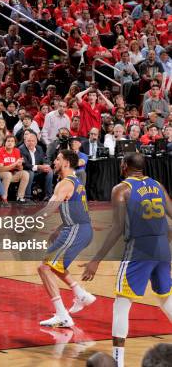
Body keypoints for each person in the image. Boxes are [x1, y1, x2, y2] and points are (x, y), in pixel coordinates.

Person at [81, 153, 172, 367]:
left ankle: (118, 362)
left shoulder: (121, 189)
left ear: (124, 166)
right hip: (161, 249)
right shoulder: (157, 184)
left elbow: (117, 228)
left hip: (138, 251)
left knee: (121, 304)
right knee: (165, 298)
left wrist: (96, 259)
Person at [36, 149, 95, 328]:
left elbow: (49, 209)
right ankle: (81, 294)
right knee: (54, 265)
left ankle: (63, 315)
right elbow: (76, 211)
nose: (54, 161)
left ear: (67, 163)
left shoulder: (65, 184)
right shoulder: (76, 182)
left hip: (76, 230)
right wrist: (59, 228)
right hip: (78, 229)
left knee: (44, 268)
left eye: (58, 159)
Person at [20, 131, 54, 201]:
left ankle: (48, 196)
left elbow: (44, 159)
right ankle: (27, 197)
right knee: (30, 173)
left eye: (33, 141)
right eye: (28, 141)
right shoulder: (21, 149)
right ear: (25, 141)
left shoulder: (39, 148)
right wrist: (38, 167)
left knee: (49, 172)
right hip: (26, 171)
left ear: (36, 142)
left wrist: (45, 165)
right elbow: (25, 164)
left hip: (38, 171)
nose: (31, 143)